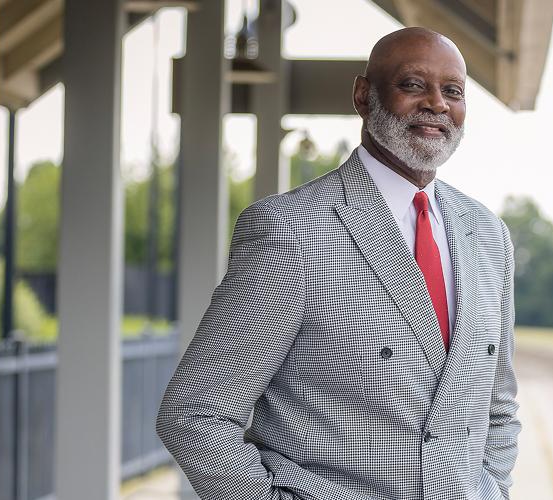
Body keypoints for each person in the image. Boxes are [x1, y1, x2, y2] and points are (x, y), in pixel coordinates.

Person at [156, 26, 521, 500]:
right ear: (363, 96)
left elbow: (497, 407)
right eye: (413, 84)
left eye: (452, 91)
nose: (436, 103)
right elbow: (195, 413)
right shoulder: (290, 230)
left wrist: (492, 489)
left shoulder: (488, 235)